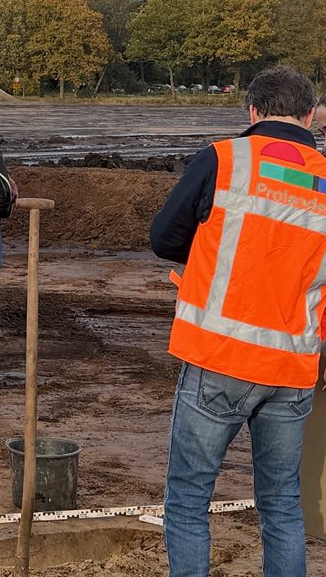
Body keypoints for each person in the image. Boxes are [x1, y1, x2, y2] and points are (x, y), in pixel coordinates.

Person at [151, 66, 325, 577]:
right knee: (282, 501)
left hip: (220, 356)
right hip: (293, 365)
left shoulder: (224, 158)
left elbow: (165, 239)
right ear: (310, 116)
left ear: (252, 110)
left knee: (188, 498)